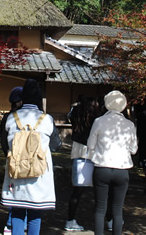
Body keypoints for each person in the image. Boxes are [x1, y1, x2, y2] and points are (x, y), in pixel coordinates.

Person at [1, 78, 61, 235]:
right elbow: (56, 144)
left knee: (17, 211)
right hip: (39, 171)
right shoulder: (46, 119)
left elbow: (5, 144)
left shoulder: (11, 118)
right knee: (36, 212)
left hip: (16, 169)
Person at [87, 90, 137, 235]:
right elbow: (134, 150)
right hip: (122, 169)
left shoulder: (99, 121)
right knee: (117, 209)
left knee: (100, 208)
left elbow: (90, 145)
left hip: (102, 167)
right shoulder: (129, 124)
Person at [65, 95, 100, 232]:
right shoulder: (95, 120)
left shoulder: (76, 117)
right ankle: (109, 220)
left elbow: (70, 113)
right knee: (101, 191)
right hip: (94, 154)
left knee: (77, 192)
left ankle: (70, 220)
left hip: (79, 154)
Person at [0, 86, 25, 235]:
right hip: (23, 160)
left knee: (13, 190)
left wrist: (7, 154)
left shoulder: (8, 116)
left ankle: (11, 224)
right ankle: (12, 224)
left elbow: (3, 140)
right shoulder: (23, 116)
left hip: (11, 158)